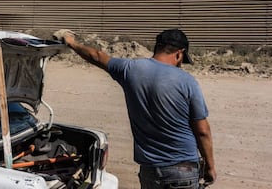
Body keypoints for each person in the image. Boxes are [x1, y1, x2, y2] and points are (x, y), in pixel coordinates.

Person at [54, 28, 216, 189]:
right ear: (179, 54)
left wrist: (71, 42)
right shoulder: (187, 81)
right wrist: (210, 167)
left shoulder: (129, 69)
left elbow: (96, 56)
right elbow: (202, 131)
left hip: (150, 172)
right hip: (183, 170)